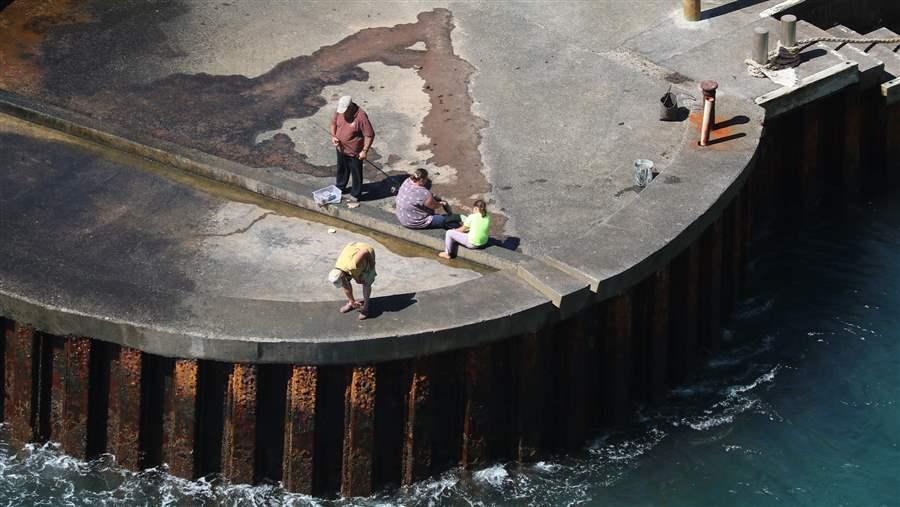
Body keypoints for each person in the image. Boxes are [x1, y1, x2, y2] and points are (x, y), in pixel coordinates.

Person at [330, 95, 375, 201]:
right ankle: (340, 186)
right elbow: (333, 124)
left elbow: (369, 135)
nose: (343, 113)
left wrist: (364, 151)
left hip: (355, 152)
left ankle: (356, 194)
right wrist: (334, 136)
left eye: (345, 110)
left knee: (356, 173)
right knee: (341, 169)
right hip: (340, 148)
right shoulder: (339, 112)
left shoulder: (361, 117)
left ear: (350, 107)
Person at [327, 241, 376, 320]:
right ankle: (351, 302)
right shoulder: (338, 267)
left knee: (366, 282)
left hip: (365, 250)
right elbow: (345, 282)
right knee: (346, 283)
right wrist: (352, 301)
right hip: (353, 249)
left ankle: (366, 308)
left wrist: (372, 263)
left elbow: (365, 252)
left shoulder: (352, 265)